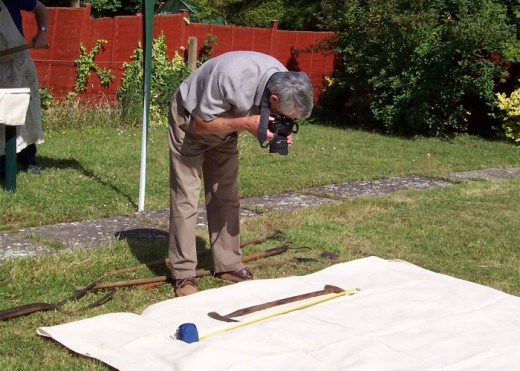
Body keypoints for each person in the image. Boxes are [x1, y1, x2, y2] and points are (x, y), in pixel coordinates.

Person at [168, 50, 314, 296]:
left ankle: (228, 264)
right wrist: (245, 124)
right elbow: (201, 124)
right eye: (285, 116)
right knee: (186, 198)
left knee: (225, 195)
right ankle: (183, 273)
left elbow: (262, 114)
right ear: (274, 97)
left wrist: (280, 128)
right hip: (190, 122)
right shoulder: (231, 78)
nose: (284, 120)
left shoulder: (284, 78)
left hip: (227, 129)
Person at [0, 0, 48, 177]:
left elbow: (40, 8)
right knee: (2, 118)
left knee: (24, 113)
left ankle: (28, 159)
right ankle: (4, 165)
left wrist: (42, 33)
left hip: (18, 63)